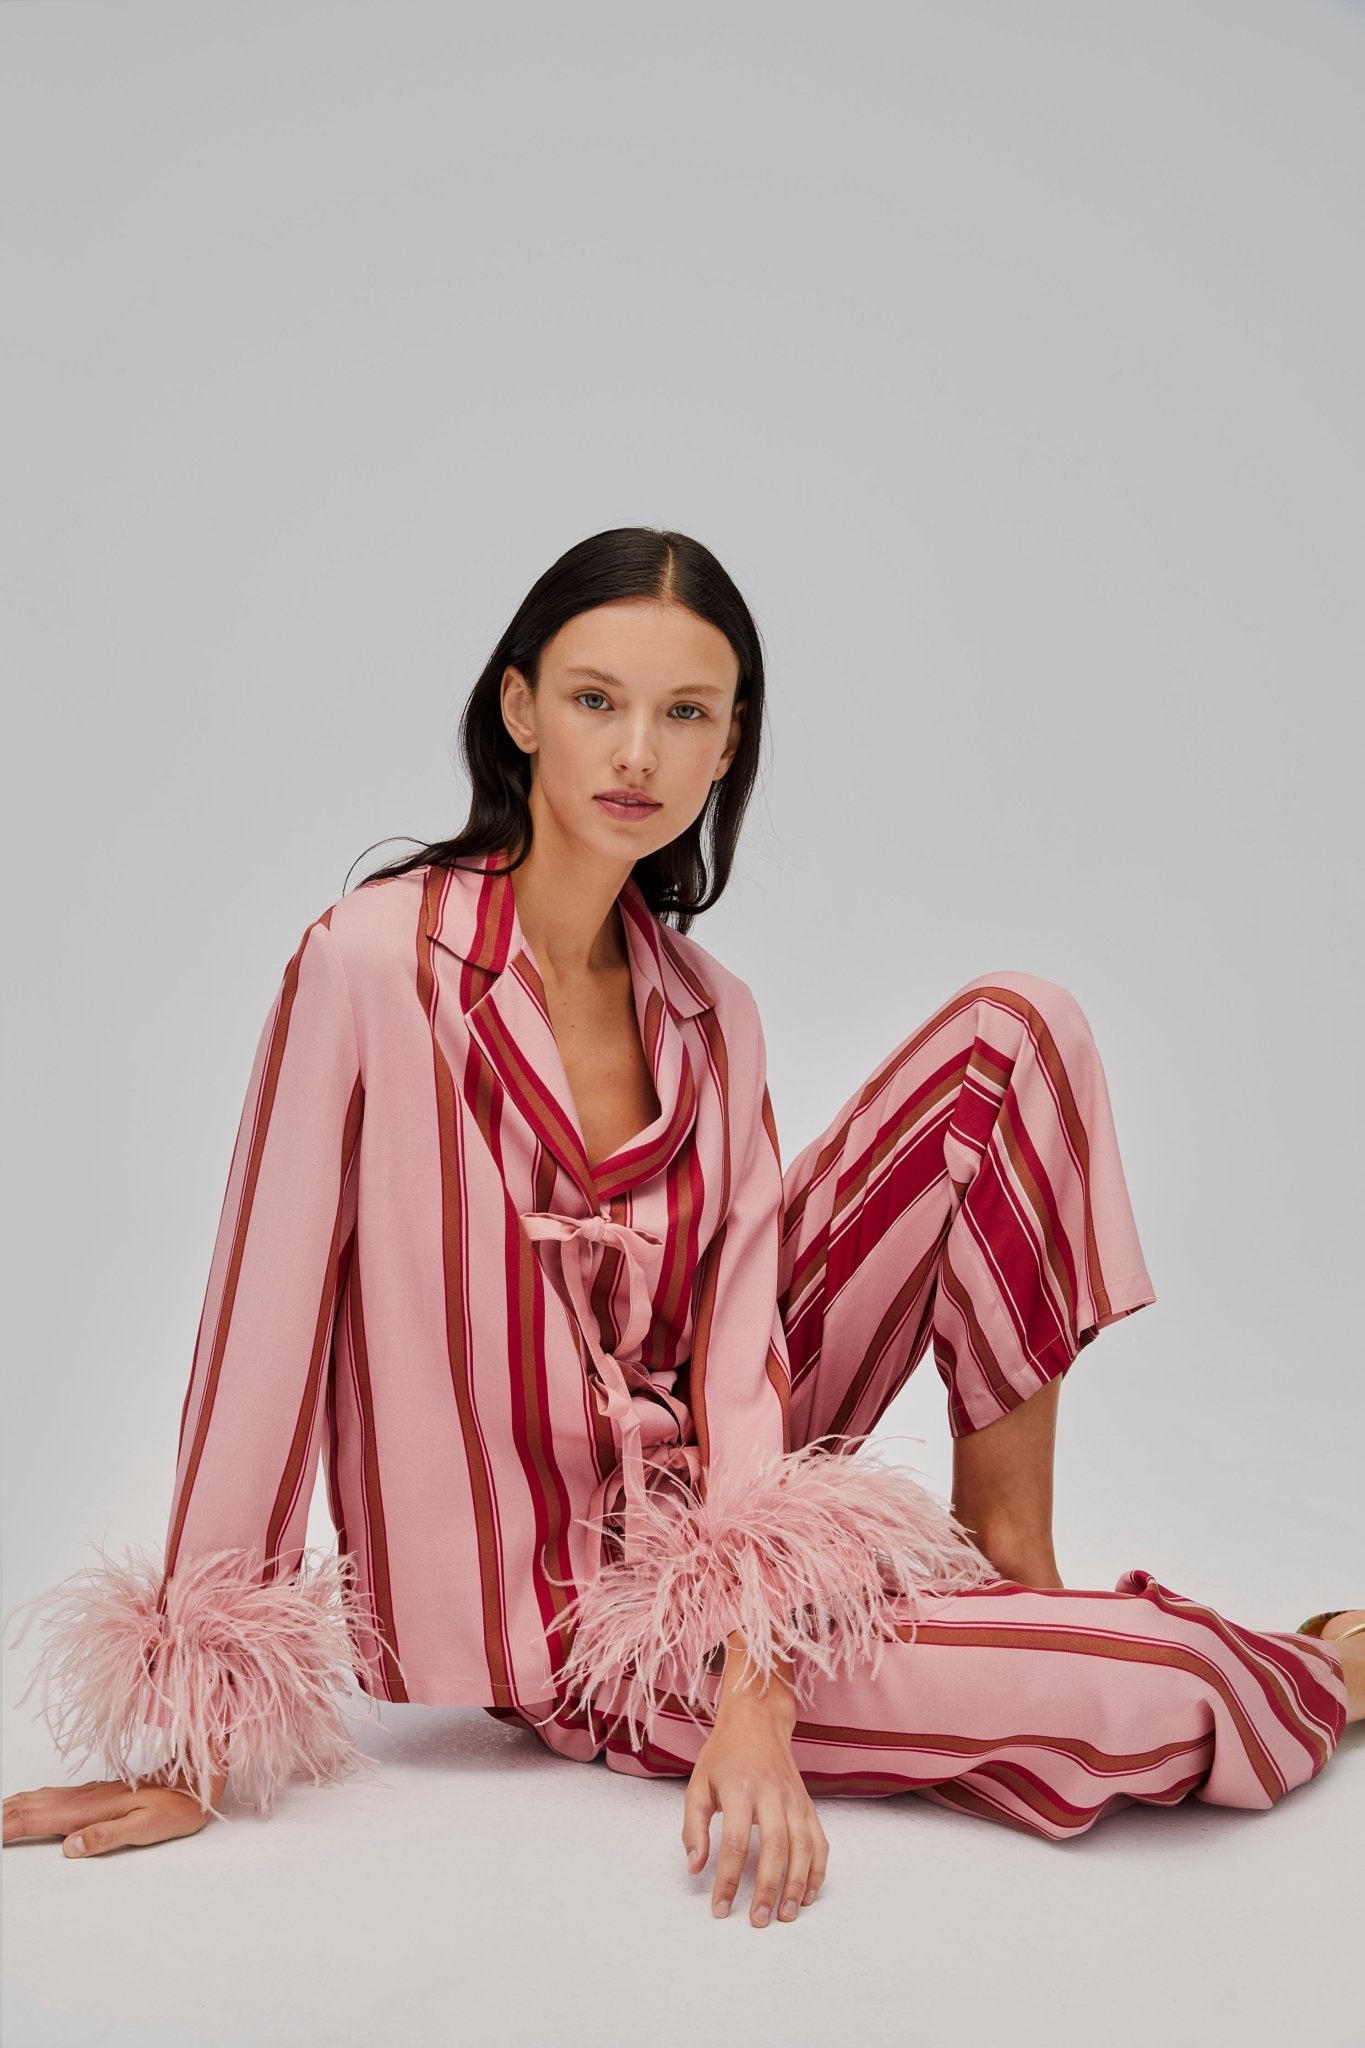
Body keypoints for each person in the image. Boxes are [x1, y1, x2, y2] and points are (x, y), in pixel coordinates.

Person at [4, 527, 1360, 1928]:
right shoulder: (365, 962)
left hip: (726, 1523)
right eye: (596, 700)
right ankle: (1326, 1669)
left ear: (727, 748)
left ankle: (1012, 1571)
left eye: (685, 713)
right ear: (519, 709)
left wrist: (758, 1686)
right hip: (586, 1626)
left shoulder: (712, 1013)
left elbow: (738, 1366)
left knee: (1012, 1031)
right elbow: (260, 1333)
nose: (635, 751)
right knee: (1168, 1688)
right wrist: (195, 1733)